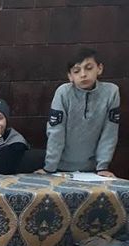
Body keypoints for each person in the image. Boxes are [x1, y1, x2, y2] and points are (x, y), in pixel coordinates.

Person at [41, 48, 120, 176]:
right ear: (70, 76)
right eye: (76, 71)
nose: (83, 74)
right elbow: (56, 132)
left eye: (89, 68)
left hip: (93, 170)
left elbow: (110, 132)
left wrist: (102, 167)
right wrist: (49, 167)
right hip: (59, 167)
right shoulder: (63, 92)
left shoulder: (111, 92)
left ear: (99, 68)